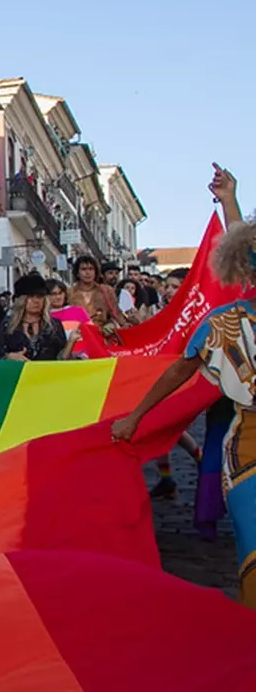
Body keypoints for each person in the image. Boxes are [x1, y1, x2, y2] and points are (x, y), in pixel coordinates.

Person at [112, 165, 255, 607]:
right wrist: (136, 417)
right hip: (248, 446)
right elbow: (179, 371)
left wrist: (230, 200)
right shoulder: (225, 323)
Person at [0, 274, 70, 361]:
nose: (36, 301)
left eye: (40, 296)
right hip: (19, 373)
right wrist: (9, 357)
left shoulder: (54, 325)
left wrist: (72, 341)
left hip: (47, 373)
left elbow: (62, 360)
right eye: (31, 296)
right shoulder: (8, 325)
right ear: (22, 300)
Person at [70, 256, 125, 337]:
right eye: (83, 269)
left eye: (91, 269)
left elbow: (116, 315)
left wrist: (111, 325)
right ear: (77, 273)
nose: (87, 273)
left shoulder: (106, 291)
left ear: (96, 272)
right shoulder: (69, 293)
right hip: (78, 338)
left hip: (102, 337)